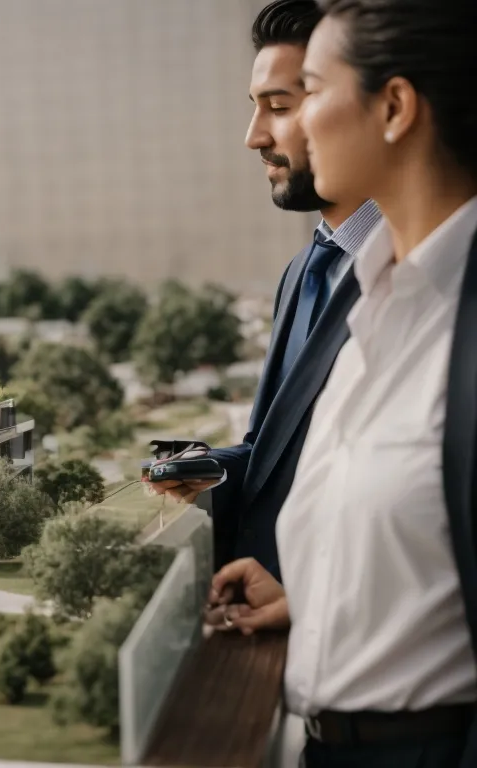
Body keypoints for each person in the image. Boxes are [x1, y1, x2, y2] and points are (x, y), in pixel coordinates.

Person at [206, 0, 477, 765]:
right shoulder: (375, 300)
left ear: (393, 107)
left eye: (307, 93)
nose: (263, 134)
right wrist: (312, 602)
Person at [145, 0, 382, 584]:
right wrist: (206, 470)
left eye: (279, 106)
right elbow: (274, 452)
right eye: (255, 108)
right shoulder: (301, 272)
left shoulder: (418, 278)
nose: (254, 137)